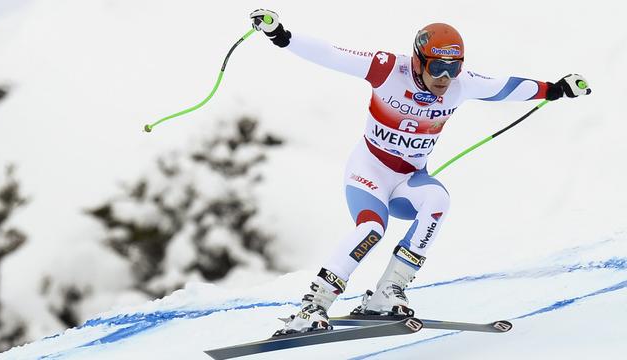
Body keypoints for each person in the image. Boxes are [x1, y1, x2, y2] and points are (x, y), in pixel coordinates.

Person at [249, 9, 591, 336]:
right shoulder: (387, 69)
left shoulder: (461, 85)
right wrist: (280, 35)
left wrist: (556, 88)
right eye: (438, 67)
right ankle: (313, 305)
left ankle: (388, 292)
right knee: (371, 228)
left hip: (408, 180)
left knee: (438, 200)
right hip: (370, 171)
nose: (445, 77)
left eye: (454, 68)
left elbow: (506, 86)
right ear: (419, 60)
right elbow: (332, 54)